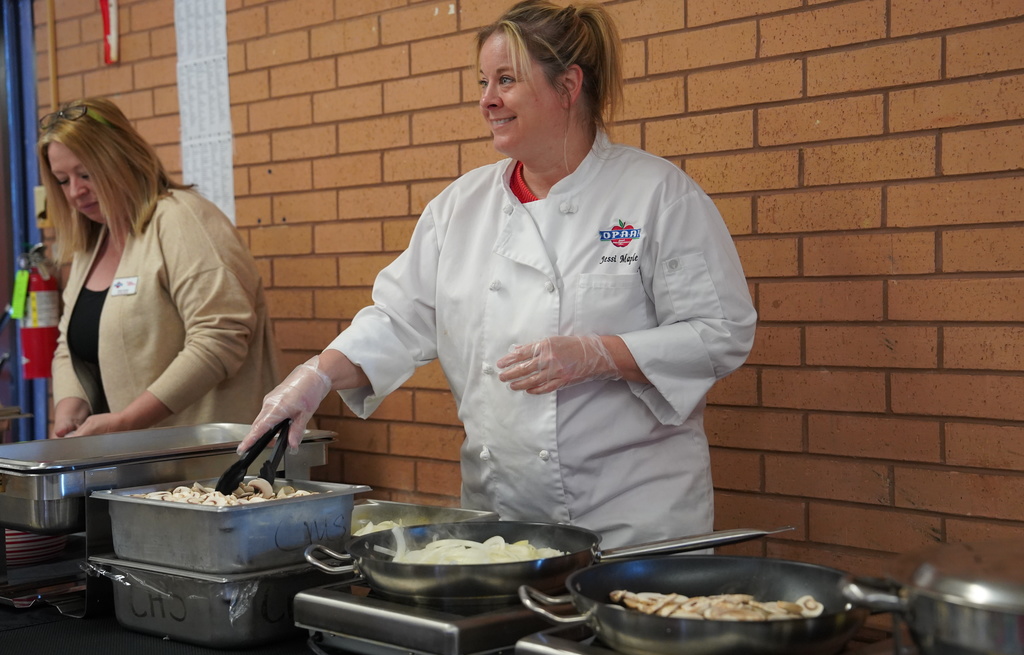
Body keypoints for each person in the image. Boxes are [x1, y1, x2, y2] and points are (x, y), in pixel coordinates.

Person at [239, 0, 756, 548]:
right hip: (502, 523)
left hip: (631, 519)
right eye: (483, 82)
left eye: (505, 80)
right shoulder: (460, 207)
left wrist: (600, 354)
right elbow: (397, 319)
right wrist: (316, 375)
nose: (487, 101)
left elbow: (719, 332)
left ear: (568, 85)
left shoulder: (657, 195)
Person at [38, 97, 278, 438]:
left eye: (86, 174)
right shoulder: (92, 245)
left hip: (214, 463)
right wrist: (69, 409)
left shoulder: (182, 219)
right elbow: (69, 345)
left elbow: (219, 338)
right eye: (63, 180)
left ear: (121, 158)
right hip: (141, 463)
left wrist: (127, 420)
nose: (75, 192)